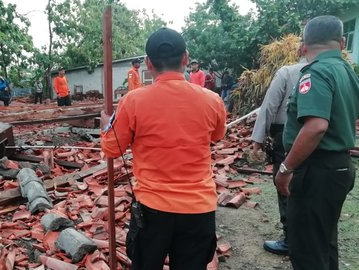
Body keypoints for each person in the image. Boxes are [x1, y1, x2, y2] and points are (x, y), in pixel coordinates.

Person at [100, 27, 227, 270]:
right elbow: (217, 135)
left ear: (148, 63)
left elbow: (113, 150)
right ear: (186, 59)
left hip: (152, 209)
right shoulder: (212, 100)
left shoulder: (133, 101)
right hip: (198, 209)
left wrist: (108, 127)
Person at [275, 15, 359, 270]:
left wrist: (285, 168)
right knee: (325, 242)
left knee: (306, 250)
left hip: (316, 171)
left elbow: (316, 126)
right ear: (343, 42)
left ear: (303, 47)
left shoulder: (316, 73)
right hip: (339, 167)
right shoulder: (348, 72)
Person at [251, 45, 307, 255]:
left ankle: (291, 238)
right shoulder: (338, 71)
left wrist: (258, 138)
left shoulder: (288, 72)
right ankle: (309, 235)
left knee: (285, 183)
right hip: (322, 137)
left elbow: (269, 106)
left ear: (302, 49)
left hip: (287, 134)